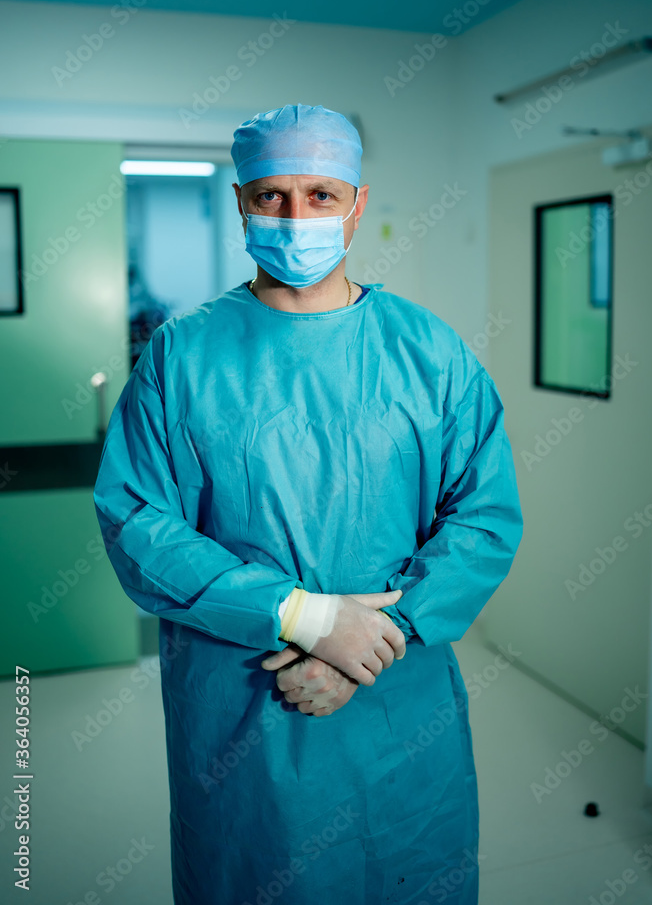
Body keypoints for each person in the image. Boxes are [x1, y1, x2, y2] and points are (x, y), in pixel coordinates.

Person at [93, 103, 523, 905]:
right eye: (271, 196)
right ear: (240, 203)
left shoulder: (430, 353)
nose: (295, 217)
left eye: (321, 195)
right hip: (243, 690)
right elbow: (136, 521)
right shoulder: (180, 356)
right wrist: (309, 619)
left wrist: (377, 632)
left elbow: (484, 516)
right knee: (253, 876)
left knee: (402, 870)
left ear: (357, 203)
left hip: (394, 686)